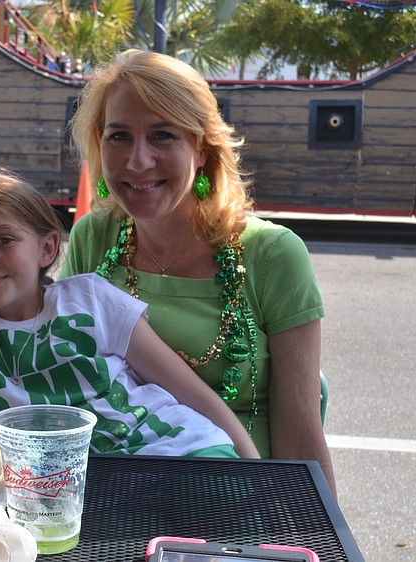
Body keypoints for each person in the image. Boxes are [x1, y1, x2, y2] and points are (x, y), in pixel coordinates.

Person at [61, 49, 336, 491]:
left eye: (163, 135)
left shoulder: (272, 255)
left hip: (238, 500)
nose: (137, 161)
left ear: (203, 149)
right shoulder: (93, 237)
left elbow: (301, 437)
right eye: (118, 137)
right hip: (112, 496)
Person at [0, 170, 260, 458]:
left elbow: (193, 393)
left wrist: (260, 474)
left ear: (47, 248)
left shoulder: (91, 297)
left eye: (4, 240)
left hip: (179, 449)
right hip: (72, 482)